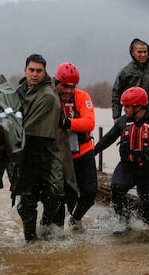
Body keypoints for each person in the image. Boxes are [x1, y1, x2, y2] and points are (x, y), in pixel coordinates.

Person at [94, 87, 149, 234]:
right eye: (123, 106)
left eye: (127, 106)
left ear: (138, 106)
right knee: (116, 189)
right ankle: (124, 221)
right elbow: (108, 138)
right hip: (127, 166)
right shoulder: (123, 121)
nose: (124, 109)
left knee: (148, 208)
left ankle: (147, 233)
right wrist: (93, 152)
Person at [13, 54, 65, 242]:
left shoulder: (48, 96)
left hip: (46, 149)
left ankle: (45, 223)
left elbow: (26, 124)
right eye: (31, 70)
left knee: (56, 192)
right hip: (24, 152)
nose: (34, 74)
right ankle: (31, 241)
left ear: (45, 72)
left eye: (39, 71)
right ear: (25, 70)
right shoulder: (18, 93)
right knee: (28, 199)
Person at [54, 62, 98, 233]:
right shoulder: (50, 97)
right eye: (65, 86)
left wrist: (68, 123)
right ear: (57, 82)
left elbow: (89, 122)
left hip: (84, 152)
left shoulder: (82, 97)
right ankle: (56, 229)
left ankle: (75, 219)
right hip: (61, 156)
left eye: (72, 87)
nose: (68, 91)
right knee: (62, 195)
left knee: (90, 193)